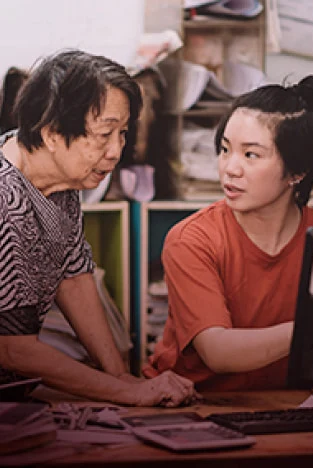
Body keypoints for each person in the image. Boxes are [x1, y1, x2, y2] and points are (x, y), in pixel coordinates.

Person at [0, 49, 198, 407]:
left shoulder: (58, 177)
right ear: (51, 133)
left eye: (122, 133)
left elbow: (73, 276)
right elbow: (11, 348)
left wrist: (121, 376)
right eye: (104, 134)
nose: (116, 150)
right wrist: (129, 392)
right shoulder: (5, 198)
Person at [143, 75, 313, 392]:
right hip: (189, 408)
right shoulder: (191, 239)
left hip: (283, 406)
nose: (230, 168)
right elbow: (218, 351)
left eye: (250, 155)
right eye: (224, 149)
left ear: (297, 171)